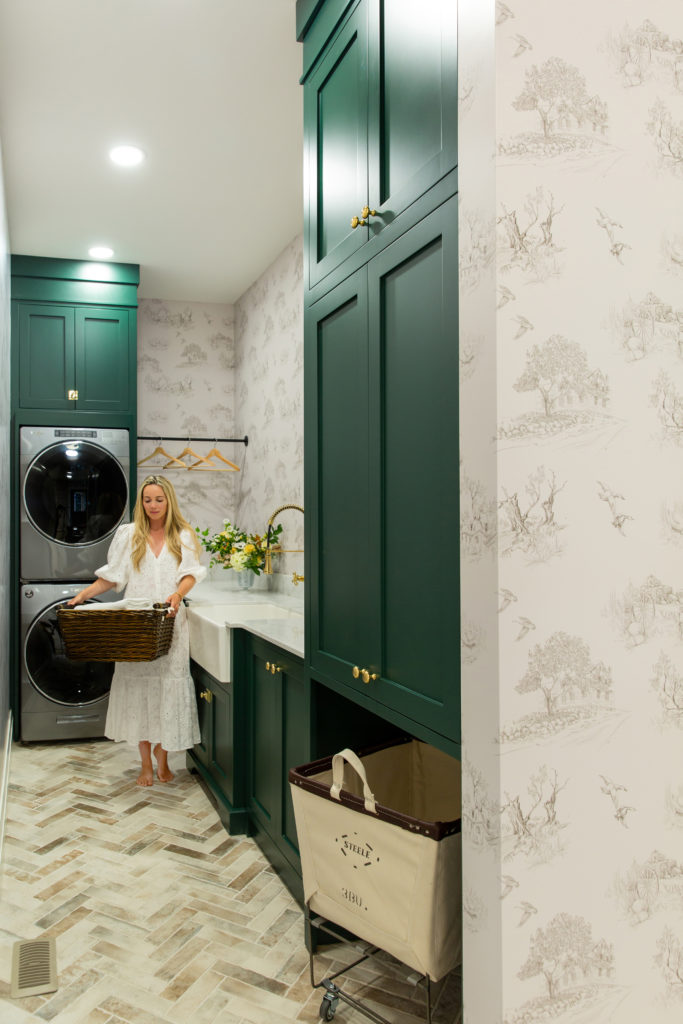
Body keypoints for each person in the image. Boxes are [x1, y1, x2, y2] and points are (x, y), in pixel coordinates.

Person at [68, 474, 206, 786]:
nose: (153, 505)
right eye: (147, 500)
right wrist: (83, 595)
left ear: (169, 501)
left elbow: (190, 574)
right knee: (139, 688)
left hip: (171, 623)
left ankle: (163, 760)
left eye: (159, 499)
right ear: (141, 503)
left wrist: (177, 595)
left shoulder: (182, 534)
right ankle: (145, 763)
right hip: (136, 628)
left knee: (166, 689)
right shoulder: (129, 535)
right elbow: (112, 578)